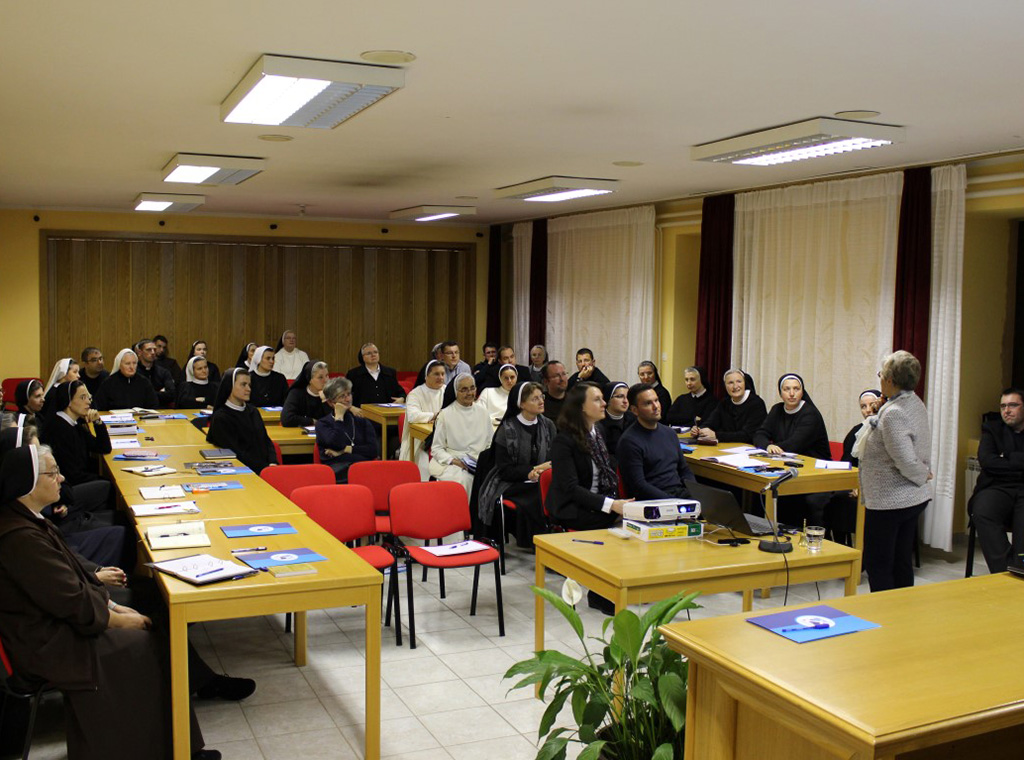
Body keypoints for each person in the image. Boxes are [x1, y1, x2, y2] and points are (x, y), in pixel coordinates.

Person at [0, 444, 222, 759]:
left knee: (153, 624)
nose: (61, 479)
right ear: (27, 484)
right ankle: (173, 749)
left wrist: (112, 606)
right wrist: (117, 619)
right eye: (53, 473)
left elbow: (70, 580)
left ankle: (180, 745)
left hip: (54, 625)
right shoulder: (20, 537)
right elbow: (69, 599)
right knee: (145, 641)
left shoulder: (25, 520)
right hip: (47, 642)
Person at [855, 351, 932, 592]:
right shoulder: (912, 401)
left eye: (881, 375)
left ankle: (885, 609)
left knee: (879, 563)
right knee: (900, 560)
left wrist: (922, 474)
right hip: (910, 498)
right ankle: (902, 607)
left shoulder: (893, 413)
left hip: (891, 500)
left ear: (890, 380)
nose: (879, 379)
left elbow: (905, 460)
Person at [477, 381, 556, 548]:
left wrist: (542, 472)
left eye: (541, 397)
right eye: (535, 399)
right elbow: (504, 470)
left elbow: (554, 459)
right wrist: (531, 471)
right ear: (521, 404)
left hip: (539, 480)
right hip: (510, 482)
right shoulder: (507, 430)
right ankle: (539, 544)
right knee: (537, 498)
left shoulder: (548, 425)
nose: (541, 401)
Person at [548, 382, 630, 531]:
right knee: (629, 520)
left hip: (598, 503)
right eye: (597, 399)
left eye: (602, 399)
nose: (604, 403)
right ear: (581, 407)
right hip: (574, 509)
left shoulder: (599, 431)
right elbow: (570, 488)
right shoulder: (563, 441)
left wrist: (613, 503)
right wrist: (612, 505)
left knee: (634, 514)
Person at [753, 373, 832, 525]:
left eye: (796, 389)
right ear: (780, 392)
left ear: (802, 392)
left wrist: (775, 448)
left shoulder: (810, 414)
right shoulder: (777, 410)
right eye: (787, 389)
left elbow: (795, 444)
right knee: (759, 490)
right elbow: (760, 434)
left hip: (814, 472)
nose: (791, 393)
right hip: (788, 467)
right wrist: (768, 445)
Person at [39, 380, 115, 527]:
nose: (88, 402)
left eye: (88, 397)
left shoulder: (74, 424)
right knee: (109, 485)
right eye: (82, 397)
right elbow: (73, 474)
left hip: (74, 481)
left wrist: (98, 422)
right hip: (65, 490)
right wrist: (101, 477)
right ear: (68, 401)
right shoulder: (59, 429)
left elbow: (103, 447)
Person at [968, 388, 1024, 574]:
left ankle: (1021, 565)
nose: (1006, 410)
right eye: (1003, 406)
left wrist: (1006, 456)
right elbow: (987, 462)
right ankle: (1005, 571)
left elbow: (996, 463)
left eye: (1013, 405)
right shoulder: (992, 429)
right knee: (982, 510)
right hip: (997, 486)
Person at [617, 384, 695, 499]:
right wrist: (671, 502)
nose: (656, 406)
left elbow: (684, 469)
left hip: (679, 494)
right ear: (634, 410)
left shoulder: (670, 433)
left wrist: (695, 492)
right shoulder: (629, 441)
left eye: (656, 400)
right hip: (654, 499)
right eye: (648, 403)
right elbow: (638, 486)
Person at [429, 374, 493, 496]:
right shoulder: (445, 415)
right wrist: (454, 461)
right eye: (464, 389)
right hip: (454, 462)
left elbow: (490, 443)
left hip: (479, 461)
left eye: (472, 388)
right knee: (465, 480)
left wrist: (483, 461)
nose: (469, 393)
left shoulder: (483, 412)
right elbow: (436, 449)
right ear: (456, 392)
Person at [206, 368, 277, 474]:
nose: (248, 389)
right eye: (243, 385)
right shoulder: (221, 418)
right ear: (230, 386)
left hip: (266, 469)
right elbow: (236, 453)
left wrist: (273, 462)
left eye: (249, 385)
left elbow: (265, 440)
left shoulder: (253, 411)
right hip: (243, 471)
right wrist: (264, 468)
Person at [315, 377, 378, 483]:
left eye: (349, 394)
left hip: (363, 471)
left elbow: (373, 450)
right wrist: (339, 418)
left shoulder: (361, 421)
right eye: (342, 396)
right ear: (331, 402)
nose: (348, 399)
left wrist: (344, 450)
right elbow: (336, 444)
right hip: (339, 475)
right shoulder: (323, 424)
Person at [398, 360, 447, 479]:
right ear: (426, 376)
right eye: (436, 374)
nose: (441, 377)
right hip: (419, 441)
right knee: (426, 467)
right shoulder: (415, 394)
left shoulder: (447, 391)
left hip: (445, 439)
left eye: (443, 374)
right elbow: (413, 416)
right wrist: (435, 416)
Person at [692, 369, 768, 444]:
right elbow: (711, 422)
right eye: (730, 383)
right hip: (727, 447)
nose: (735, 386)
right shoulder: (724, 403)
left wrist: (716, 435)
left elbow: (747, 435)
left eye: (739, 381)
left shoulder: (757, 404)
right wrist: (699, 430)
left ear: (745, 383)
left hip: (749, 448)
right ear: (725, 386)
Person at [91, 348, 159, 411]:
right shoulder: (109, 383)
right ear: (119, 365)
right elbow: (99, 406)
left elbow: (154, 405)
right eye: (127, 363)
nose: (131, 367)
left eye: (134, 363)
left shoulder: (144, 382)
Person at [346, 343, 405, 407]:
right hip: (362, 411)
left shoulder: (390, 373)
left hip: (387, 410)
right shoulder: (353, 374)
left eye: (375, 352)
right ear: (362, 357)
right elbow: (344, 395)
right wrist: (351, 408)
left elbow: (400, 392)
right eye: (369, 353)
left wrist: (402, 399)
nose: (373, 355)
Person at [281, 360, 331, 427]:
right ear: (310, 380)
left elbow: (335, 420)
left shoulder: (332, 393)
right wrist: (311, 421)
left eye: (327, 375)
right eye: (320, 377)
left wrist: (324, 400)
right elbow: (286, 419)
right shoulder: (296, 393)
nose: (326, 380)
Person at [597, 381, 635, 458]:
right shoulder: (598, 422)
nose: (625, 401)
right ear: (608, 399)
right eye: (620, 396)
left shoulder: (634, 419)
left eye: (627, 397)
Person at [134, 339, 176, 407]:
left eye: (154, 349)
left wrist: (147, 394)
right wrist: (159, 393)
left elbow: (171, 394)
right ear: (140, 352)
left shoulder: (163, 372)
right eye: (149, 350)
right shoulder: (134, 372)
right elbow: (134, 396)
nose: (153, 352)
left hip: (161, 409)